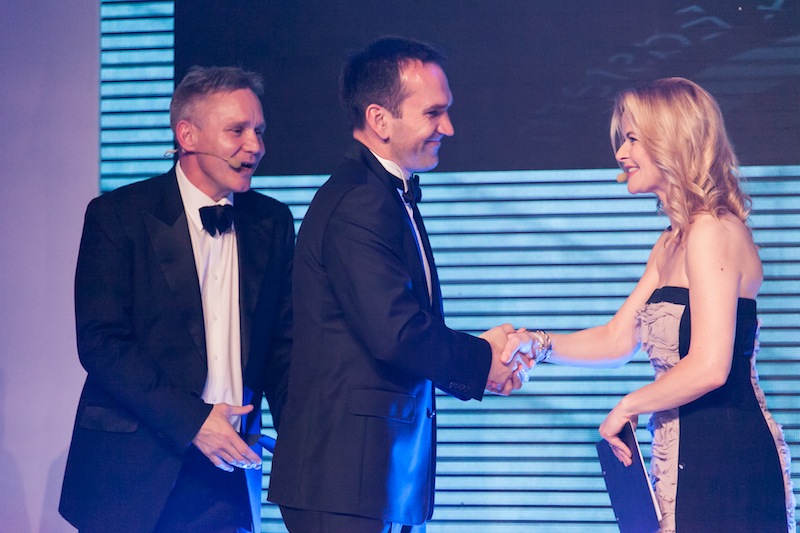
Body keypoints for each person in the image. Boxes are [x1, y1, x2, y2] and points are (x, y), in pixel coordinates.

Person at [504, 77, 795, 532]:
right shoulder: (670, 243)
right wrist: (538, 344)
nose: (621, 153)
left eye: (633, 139)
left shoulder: (713, 231)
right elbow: (617, 338)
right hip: (682, 452)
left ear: (673, 140)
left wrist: (629, 405)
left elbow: (710, 366)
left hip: (726, 458)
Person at [267, 36, 529, 532]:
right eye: (433, 113)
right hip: (347, 482)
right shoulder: (360, 201)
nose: (448, 128)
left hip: (376, 480)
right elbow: (396, 332)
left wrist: (482, 357)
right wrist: (482, 360)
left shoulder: (382, 194)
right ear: (380, 119)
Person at [59, 66, 295, 533]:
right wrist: (194, 422)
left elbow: (282, 348)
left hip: (229, 476)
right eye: (237, 131)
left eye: (259, 131)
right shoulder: (118, 215)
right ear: (187, 135)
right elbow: (102, 344)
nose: (255, 146)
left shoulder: (272, 222)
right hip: (134, 473)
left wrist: (302, 442)